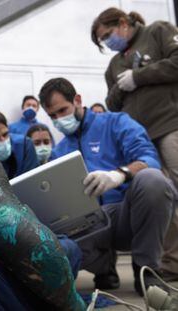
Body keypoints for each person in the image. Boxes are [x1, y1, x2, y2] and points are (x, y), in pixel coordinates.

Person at [39, 77, 175, 296]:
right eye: (52, 116)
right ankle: (104, 267)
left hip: (126, 214)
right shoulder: (59, 151)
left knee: (153, 181)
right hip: (90, 223)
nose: (59, 119)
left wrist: (119, 175)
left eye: (62, 110)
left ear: (77, 100)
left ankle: (146, 268)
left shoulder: (116, 123)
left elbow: (149, 160)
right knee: (58, 242)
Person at [91, 7, 178, 280]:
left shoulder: (159, 31)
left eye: (108, 34)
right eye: (103, 41)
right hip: (140, 140)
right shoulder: (114, 65)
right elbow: (112, 103)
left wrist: (139, 76)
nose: (108, 42)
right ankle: (170, 262)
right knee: (162, 196)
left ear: (123, 22)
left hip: (170, 125)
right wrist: (122, 85)